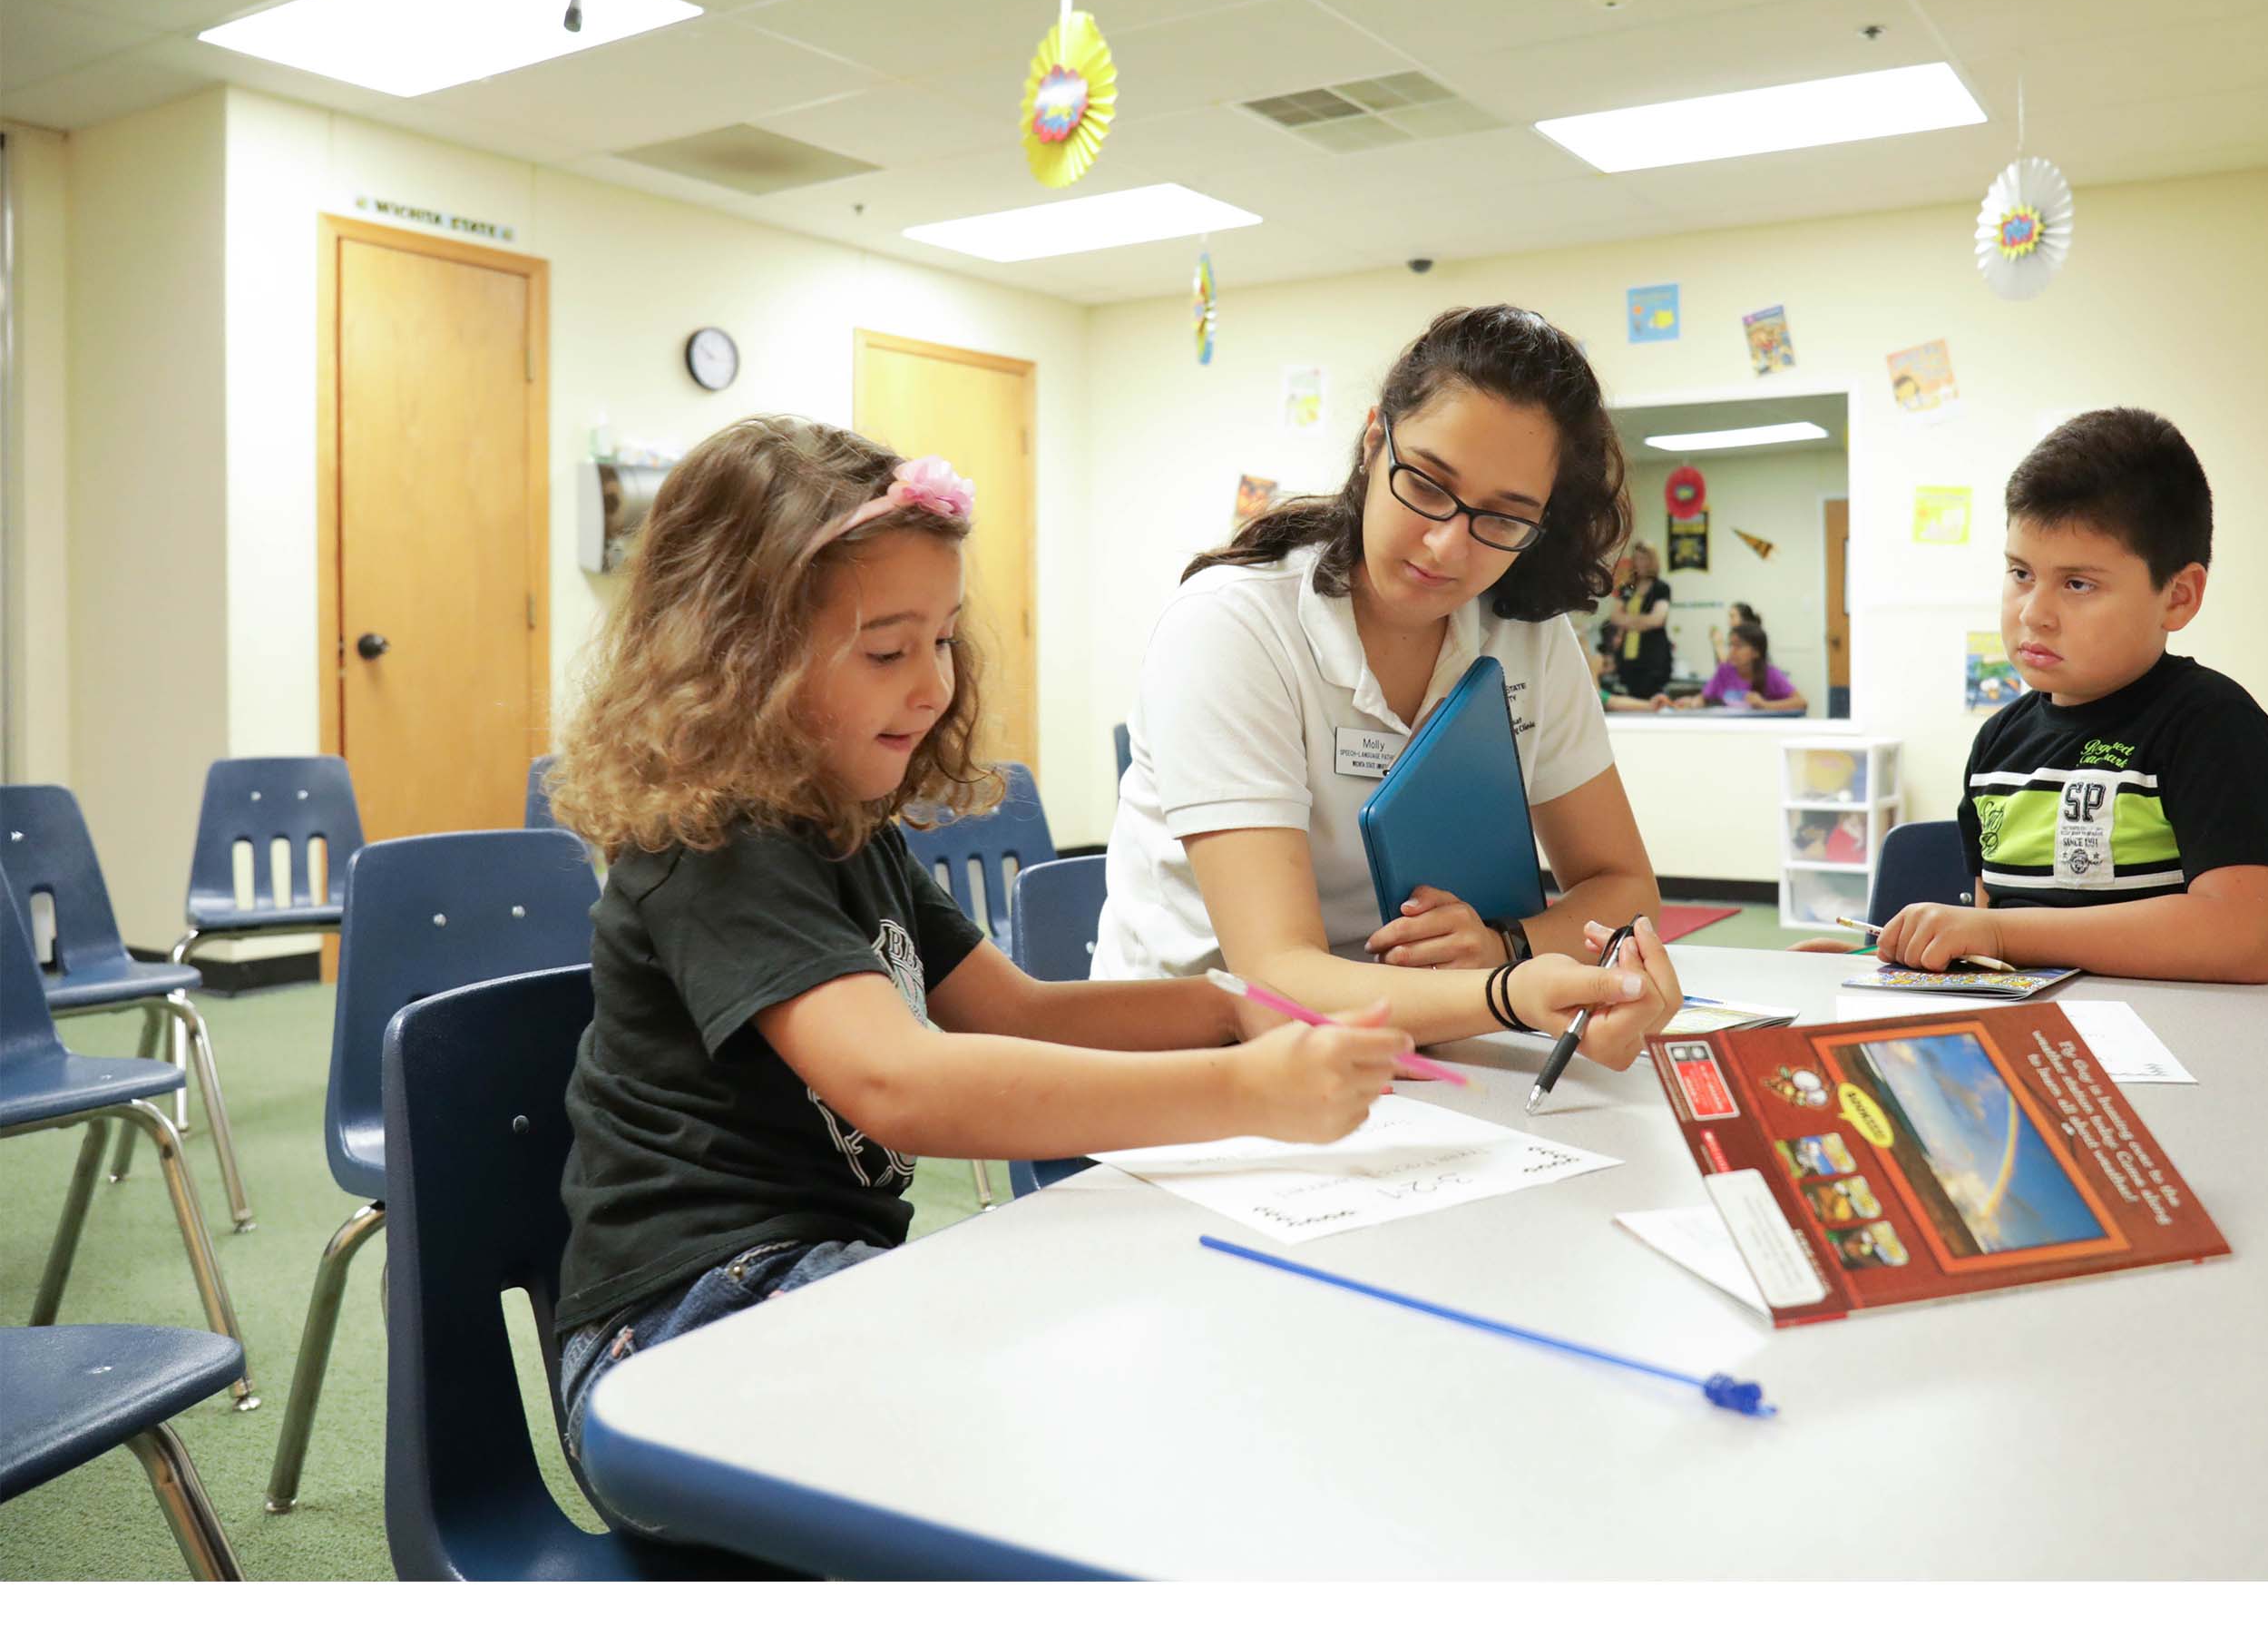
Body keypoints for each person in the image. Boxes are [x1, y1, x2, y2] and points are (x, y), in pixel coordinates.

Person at [543, 418, 1407, 1504]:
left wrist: (1232, 1007)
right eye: (888, 650)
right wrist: (1243, 1091)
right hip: (681, 1335)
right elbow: (899, 1086)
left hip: (810, 1288)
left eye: (943, 640)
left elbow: (1022, 1014)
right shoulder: (719, 848)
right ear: (740, 662)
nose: (934, 686)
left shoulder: (851, 835)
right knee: (1074, 1422)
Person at [1094, 304, 1682, 1063]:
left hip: (1426, 1048)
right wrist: (1509, 987)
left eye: (1504, 519)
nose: (1447, 546)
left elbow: (1626, 886)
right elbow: (1274, 975)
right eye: (1429, 485)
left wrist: (1504, 944)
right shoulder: (1233, 625)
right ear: (1375, 442)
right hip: (1203, 1063)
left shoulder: (1530, 635)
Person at [1808, 407, 2268, 982]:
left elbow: (2247, 938)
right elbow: (1998, 949)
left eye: (2078, 584)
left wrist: (1999, 932)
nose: (2034, 613)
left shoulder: (2214, 726)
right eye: (2020, 573)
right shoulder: (1998, 745)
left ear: (2178, 596)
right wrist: (1892, 962)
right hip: (2044, 1049)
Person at [1678, 620, 1807, 714]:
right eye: (1731, 645)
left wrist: (1765, 704)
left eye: (1739, 646)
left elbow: (1801, 703)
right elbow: (1704, 697)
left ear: (1756, 652)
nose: (1732, 651)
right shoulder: (1724, 670)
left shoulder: (1770, 674)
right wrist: (1694, 702)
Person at [1606, 542, 1674, 701]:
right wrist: (1642, 621)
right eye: (1636, 558)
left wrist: (1627, 621)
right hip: (1627, 659)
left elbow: (1657, 620)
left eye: (1644, 559)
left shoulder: (1661, 588)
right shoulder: (1627, 588)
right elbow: (1615, 617)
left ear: (1652, 561)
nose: (1639, 563)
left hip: (1653, 661)